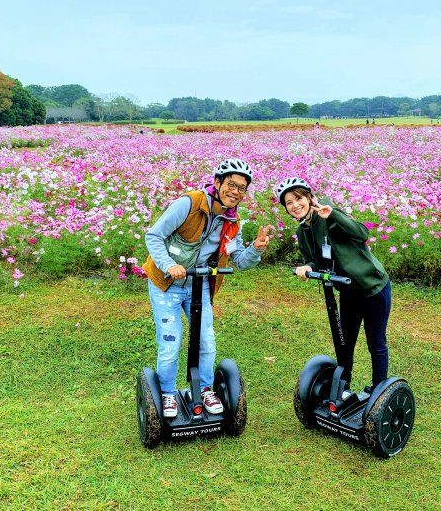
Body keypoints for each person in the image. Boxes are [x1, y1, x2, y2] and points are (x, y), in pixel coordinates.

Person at [143, 159, 273, 418]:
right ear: (217, 183)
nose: (235, 191)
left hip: (199, 284)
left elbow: (240, 261)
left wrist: (256, 248)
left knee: (206, 340)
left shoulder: (232, 221)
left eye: (241, 188)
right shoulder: (189, 204)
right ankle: (168, 394)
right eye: (231, 185)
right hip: (166, 284)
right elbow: (154, 235)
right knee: (171, 341)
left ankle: (203, 389)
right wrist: (169, 264)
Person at [274, 177, 391, 399]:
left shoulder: (328, 215)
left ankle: (379, 392)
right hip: (347, 291)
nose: (295, 205)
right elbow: (315, 260)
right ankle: (343, 390)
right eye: (289, 202)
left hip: (373, 287)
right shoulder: (302, 232)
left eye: (298, 198)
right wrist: (307, 267)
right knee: (345, 342)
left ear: (309, 198)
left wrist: (334, 214)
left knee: (376, 342)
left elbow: (361, 234)